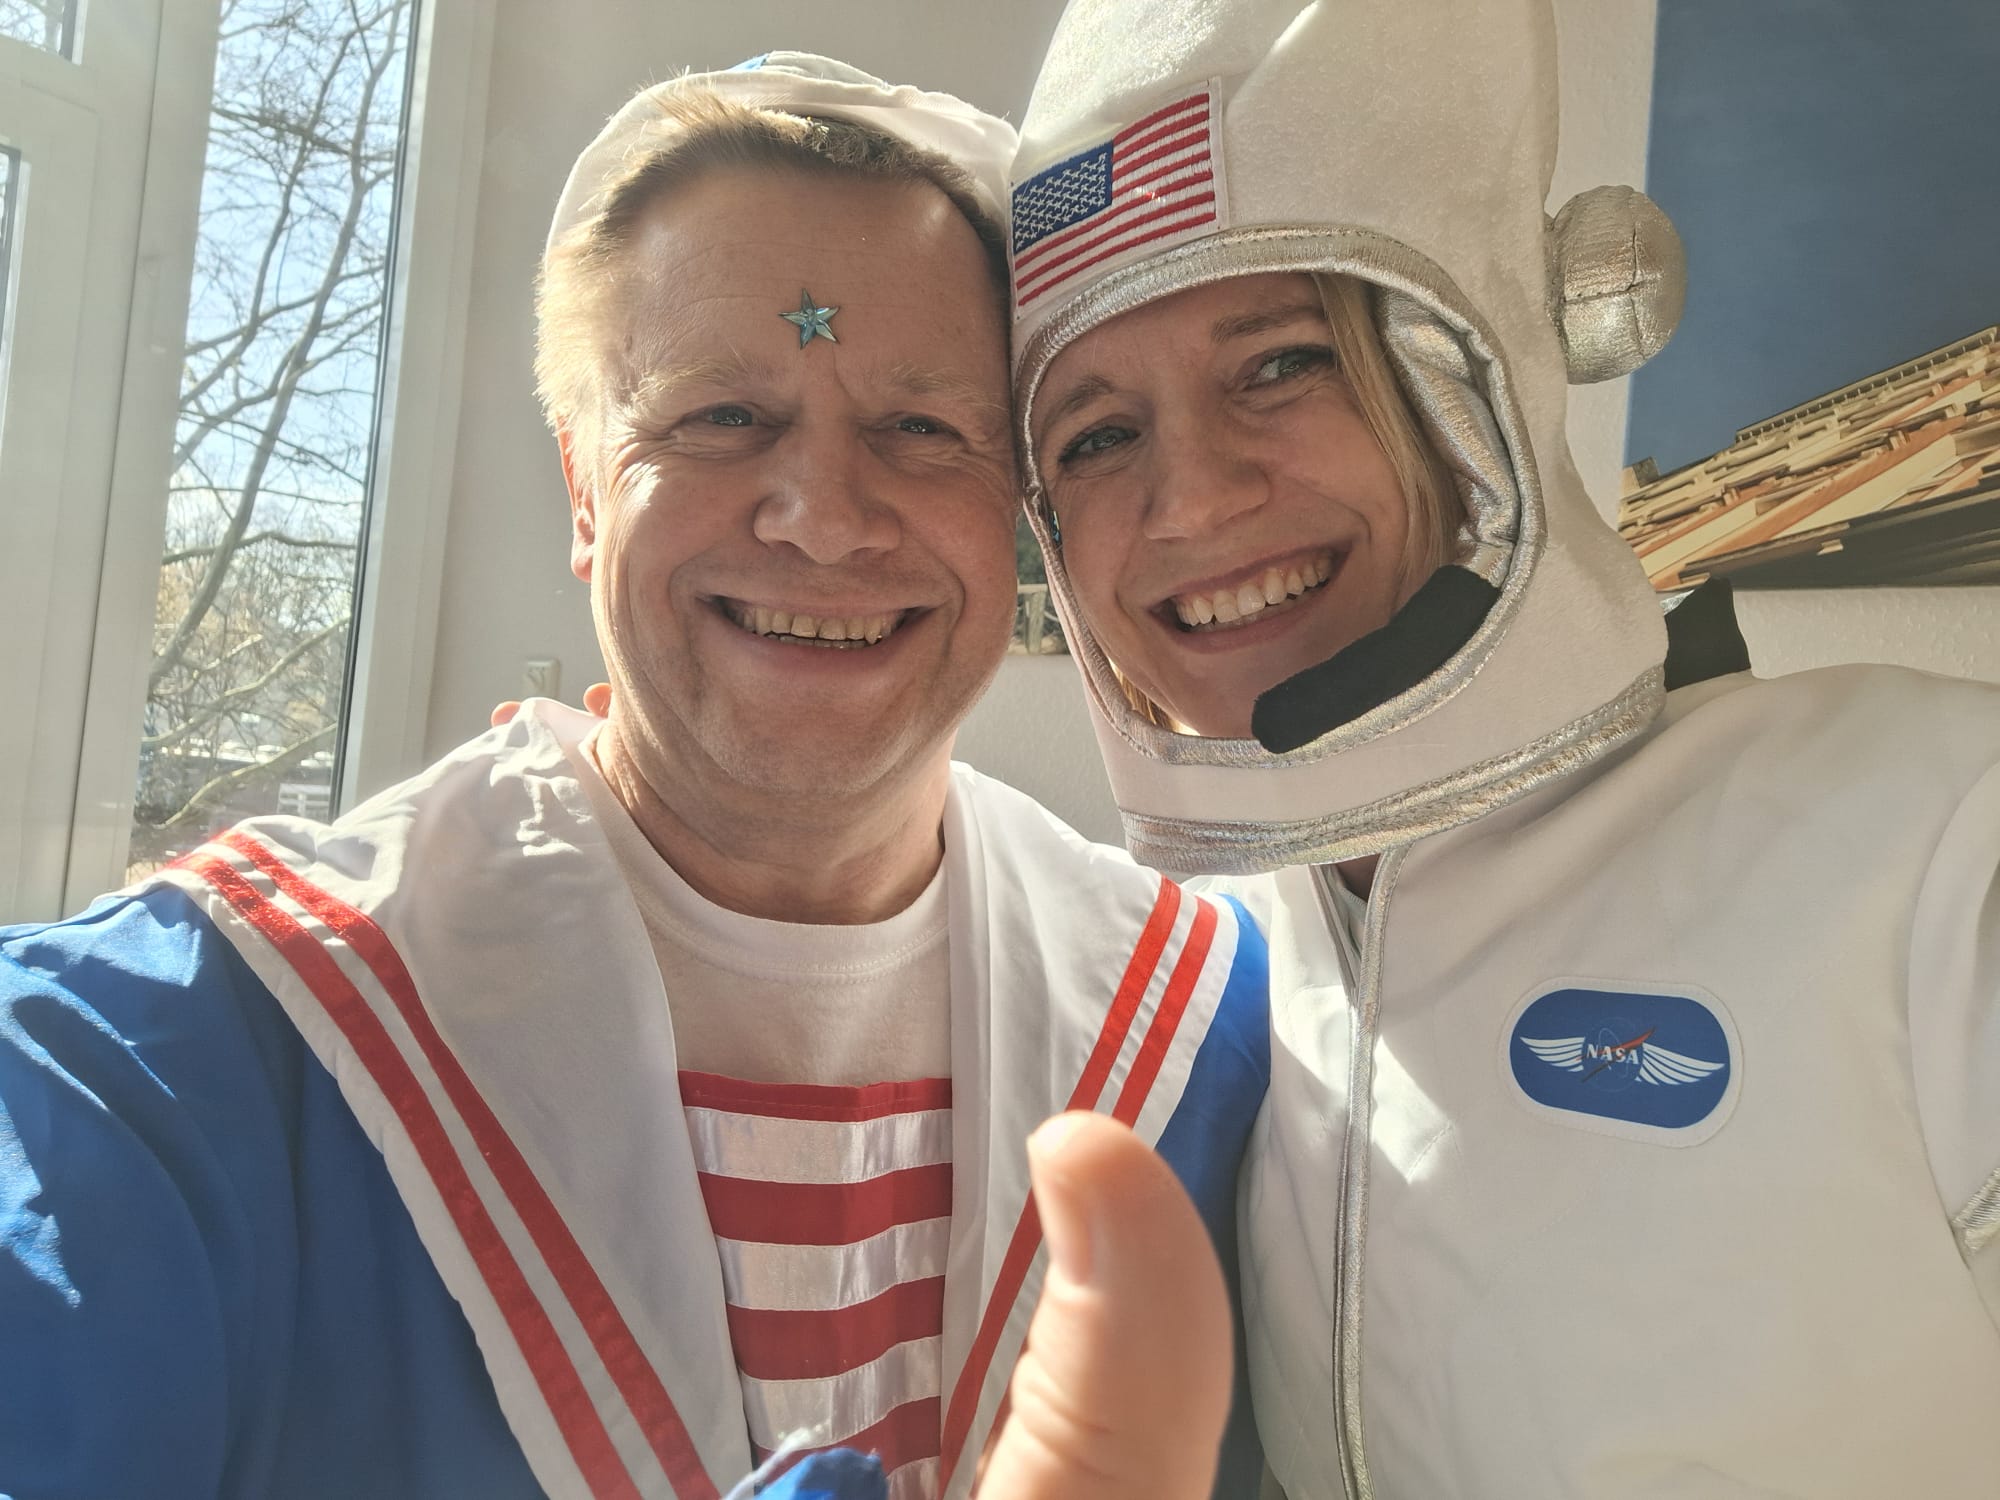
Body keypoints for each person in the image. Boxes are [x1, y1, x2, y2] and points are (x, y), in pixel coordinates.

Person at [0, 55, 1268, 1500]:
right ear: (586, 491)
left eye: (923, 429)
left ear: (1022, 507)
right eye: (719, 417)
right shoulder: (169, 1058)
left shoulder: (1219, 1036)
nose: (823, 517)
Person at [1004, 0, 2000, 1495]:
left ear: (1469, 379)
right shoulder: (1185, 968)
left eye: (1280, 363)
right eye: (1093, 436)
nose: (1194, 500)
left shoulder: (1936, 840)